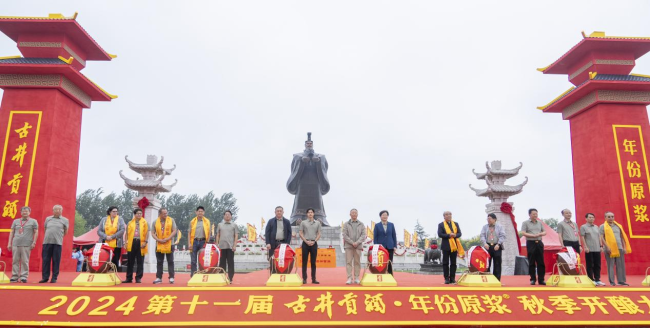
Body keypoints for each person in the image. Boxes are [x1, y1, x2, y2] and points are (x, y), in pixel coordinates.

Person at [599, 212, 631, 286]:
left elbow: (622, 237)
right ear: (605, 218)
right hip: (609, 248)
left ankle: (621, 281)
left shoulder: (618, 226)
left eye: (612, 216)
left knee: (620, 265)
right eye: (609, 217)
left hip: (619, 248)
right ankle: (612, 281)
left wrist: (624, 247)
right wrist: (607, 247)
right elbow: (601, 237)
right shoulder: (603, 226)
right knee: (611, 265)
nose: (611, 218)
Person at [7, 206, 38, 283]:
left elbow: (36, 232)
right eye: (23, 211)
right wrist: (9, 243)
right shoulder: (15, 221)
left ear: (29, 212)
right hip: (16, 243)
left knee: (25, 261)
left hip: (26, 244)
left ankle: (24, 277)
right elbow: (11, 232)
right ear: (20, 212)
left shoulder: (33, 221)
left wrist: (34, 242)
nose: (25, 212)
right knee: (15, 260)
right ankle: (14, 276)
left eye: (26, 211)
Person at [40, 204, 69, 283]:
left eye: (59, 209)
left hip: (57, 243)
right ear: (53, 211)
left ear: (61, 211)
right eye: (56, 209)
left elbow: (65, 231)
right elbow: (45, 228)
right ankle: (45, 277)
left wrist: (58, 236)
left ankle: (54, 277)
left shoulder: (65, 220)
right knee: (46, 260)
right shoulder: (48, 219)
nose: (57, 211)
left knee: (56, 260)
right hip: (46, 242)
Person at [151, 207, 177, 284]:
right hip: (159, 244)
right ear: (160, 214)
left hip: (169, 243)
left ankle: (171, 277)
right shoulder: (155, 222)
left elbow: (174, 230)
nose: (166, 214)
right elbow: (152, 233)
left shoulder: (171, 220)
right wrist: (158, 239)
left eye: (166, 213)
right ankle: (159, 277)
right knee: (159, 261)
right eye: (164, 213)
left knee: (170, 261)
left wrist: (168, 238)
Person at [521, 208, 546, 285]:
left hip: (539, 242)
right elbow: (523, 233)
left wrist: (540, 234)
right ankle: (532, 279)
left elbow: (544, 232)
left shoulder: (540, 223)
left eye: (536, 214)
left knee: (541, 262)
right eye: (534, 214)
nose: (535, 215)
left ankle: (541, 279)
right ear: (529, 214)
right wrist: (532, 235)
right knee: (531, 261)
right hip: (531, 242)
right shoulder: (525, 223)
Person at [437, 211, 464, 284]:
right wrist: (449, 235)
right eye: (447, 214)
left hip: (454, 246)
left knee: (453, 263)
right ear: (444, 216)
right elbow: (440, 234)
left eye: (450, 214)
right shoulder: (441, 225)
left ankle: (452, 278)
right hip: (446, 246)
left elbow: (459, 233)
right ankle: (446, 278)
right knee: (445, 263)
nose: (449, 216)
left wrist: (455, 235)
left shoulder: (455, 224)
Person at [264, 206, 292, 273]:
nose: (279, 212)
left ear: (283, 212)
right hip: (273, 244)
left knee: (282, 260)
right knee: (272, 260)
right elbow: (267, 233)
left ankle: (282, 275)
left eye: (280, 211)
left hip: (283, 244)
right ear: (275, 212)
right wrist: (268, 243)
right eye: (277, 211)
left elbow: (289, 233)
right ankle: (272, 276)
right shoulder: (271, 221)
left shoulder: (287, 221)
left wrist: (287, 244)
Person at [123, 208, 148, 283]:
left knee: (140, 261)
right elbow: (126, 233)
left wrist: (146, 242)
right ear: (135, 214)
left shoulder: (144, 222)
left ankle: (138, 277)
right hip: (131, 242)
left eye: (140, 213)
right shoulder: (130, 223)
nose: (139, 215)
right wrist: (125, 243)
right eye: (138, 213)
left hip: (141, 242)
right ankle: (128, 278)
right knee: (130, 261)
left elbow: (147, 233)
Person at [580, 213, 605, 286]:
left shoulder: (596, 227)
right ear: (586, 219)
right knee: (590, 264)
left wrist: (601, 246)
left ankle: (597, 279)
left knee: (597, 264)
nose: (591, 219)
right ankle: (591, 279)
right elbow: (582, 237)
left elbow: (599, 237)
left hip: (597, 248)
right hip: (589, 249)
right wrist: (585, 247)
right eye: (590, 217)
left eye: (593, 217)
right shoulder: (583, 227)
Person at [342, 208, 366, 284]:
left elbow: (363, 235)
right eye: (352, 213)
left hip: (358, 247)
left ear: (357, 214)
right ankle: (349, 278)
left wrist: (357, 242)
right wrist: (352, 242)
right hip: (349, 246)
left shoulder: (361, 224)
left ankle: (356, 278)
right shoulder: (346, 224)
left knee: (357, 262)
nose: (354, 214)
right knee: (348, 262)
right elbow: (345, 235)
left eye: (355, 213)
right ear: (350, 214)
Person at [480, 213, 505, 281]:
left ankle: (496, 279)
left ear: (495, 219)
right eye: (487, 218)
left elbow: (502, 236)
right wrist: (484, 243)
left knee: (497, 263)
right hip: (487, 246)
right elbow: (482, 235)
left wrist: (498, 244)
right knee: (487, 263)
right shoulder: (485, 227)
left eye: (490, 218)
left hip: (496, 246)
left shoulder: (499, 227)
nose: (488, 220)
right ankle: (487, 279)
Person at [299, 208, 321, 284]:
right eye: (309, 212)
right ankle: (304, 278)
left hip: (314, 243)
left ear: (314, 213)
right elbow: (301, 233)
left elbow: (319, 234)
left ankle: (314, 279)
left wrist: (314, 241)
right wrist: (306, 241)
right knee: (304, 262)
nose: (310, 214)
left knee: (313, 262)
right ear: (307, 214)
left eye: (311, 212)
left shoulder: (317, 223)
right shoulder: (303, 223)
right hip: (305, 243)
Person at [188, 206, 211, 277]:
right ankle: (193, 275)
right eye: (199, 211)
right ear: (196, 212)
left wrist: (207, 242)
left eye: (201, 211)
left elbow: (209, 232)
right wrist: (189, 243)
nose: (200, 213)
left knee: (202, 260)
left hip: (203, 241)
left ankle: (202, 274)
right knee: (193, 260)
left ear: (204, 212)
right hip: (194, 242)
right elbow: (189, 233)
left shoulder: (207, 221)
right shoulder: (192, 221)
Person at [216, 210, 238, 283]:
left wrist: (235, 245)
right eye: (226, 214)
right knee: (222, 263)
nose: (227, 216)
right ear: (224, 216)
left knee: (230, 263)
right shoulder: (220, 225)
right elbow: (218, 235)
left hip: (230, 247)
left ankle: (230, 278)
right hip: (222, 246)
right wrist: (217, 244)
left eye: (229, 214)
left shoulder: (234, 225)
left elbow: (236, 235)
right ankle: (222, 277)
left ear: (231, 216)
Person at [373, 210, 396, 275]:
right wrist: (376, 246)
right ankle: (381, 273)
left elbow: (394, 235)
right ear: (380, 216)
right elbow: (375, 237)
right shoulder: (377, 225)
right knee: (381, 261)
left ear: (388, 216)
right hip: (381, 247)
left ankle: (390, 274)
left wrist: (395, 246)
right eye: (383, 215)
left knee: (390, 261)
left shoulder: (391, 225)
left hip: (390, 246)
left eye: (386, 215)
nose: (384, 216)